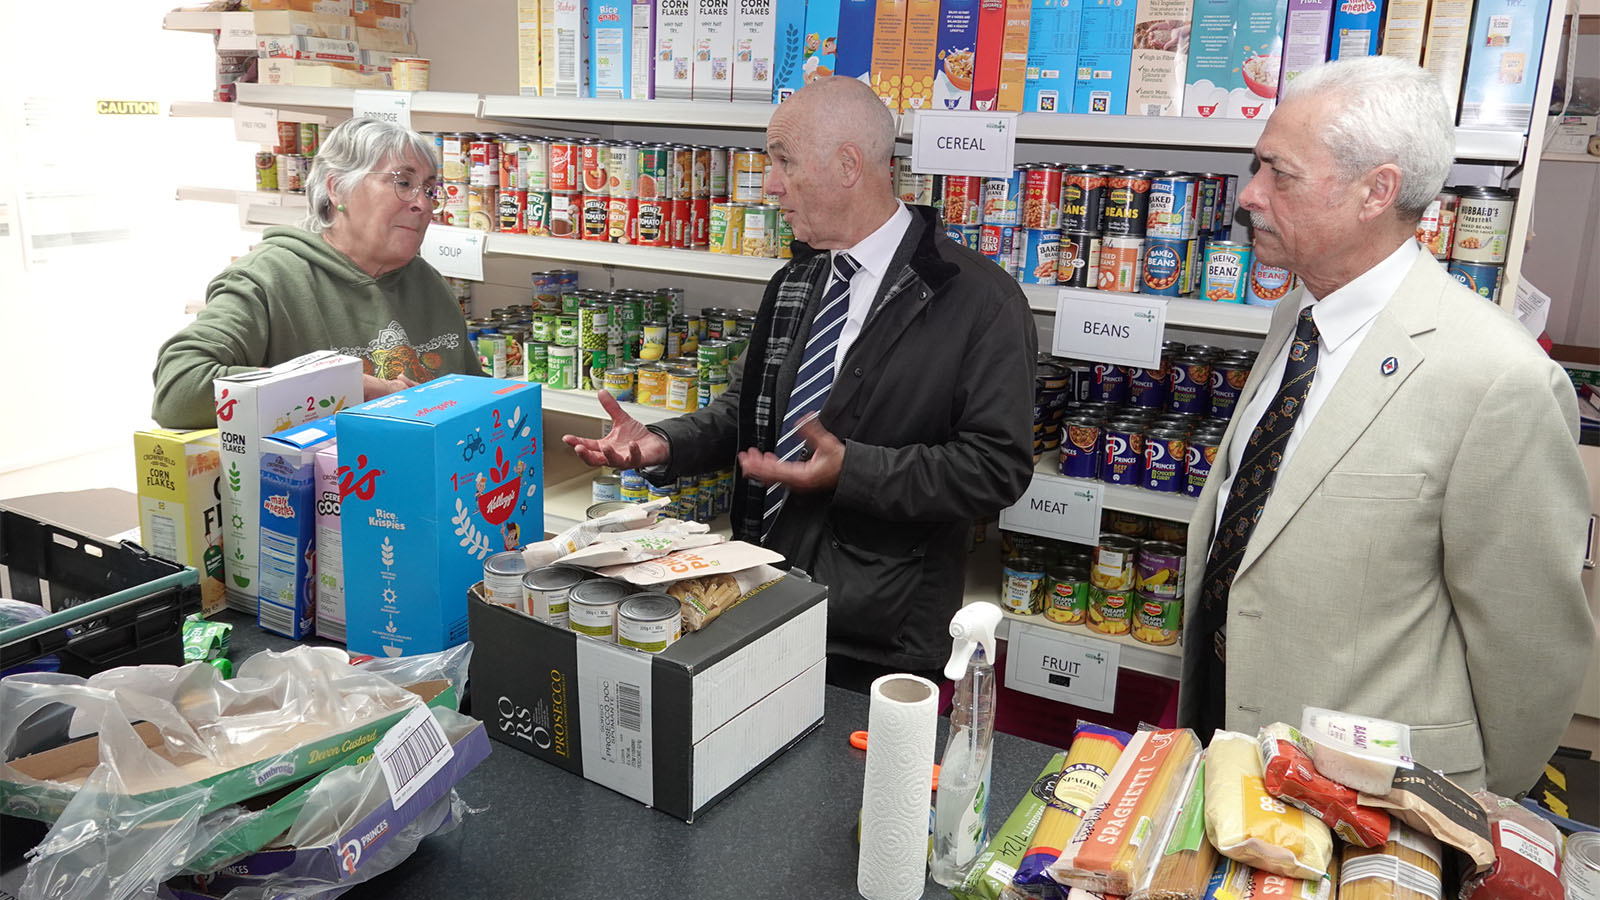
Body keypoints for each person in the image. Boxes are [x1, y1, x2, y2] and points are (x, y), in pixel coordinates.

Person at [1178, 55, 1593, 796]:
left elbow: (1530, 648)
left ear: (1378, 191)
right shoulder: (1296, 315)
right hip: (1231, 741)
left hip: (1372, 793)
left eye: (1281, 173)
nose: (1250, 196)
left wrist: (1466, 810)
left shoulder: (1501, 379)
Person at [564, 77, 1037, 689]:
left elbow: (997, 467)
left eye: (783, 160)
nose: (770, 184)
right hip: (761, 595)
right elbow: (750, 411)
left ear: (848, 165)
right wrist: (665, 444)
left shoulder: (979, 301)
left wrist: (853, 470)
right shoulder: (796, 280)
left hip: (878, 640)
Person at [151, 117, 480, 429]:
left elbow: (476, 401)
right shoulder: (268, 278)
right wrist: (345, 387)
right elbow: (179, 390)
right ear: (337, 190)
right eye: (403, 182)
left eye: (429, 189)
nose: (422, 203)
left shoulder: (428, 283)